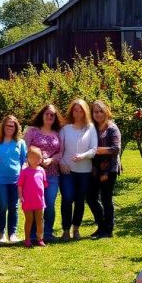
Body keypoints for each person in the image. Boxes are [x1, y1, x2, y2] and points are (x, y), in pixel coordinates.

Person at [23, 104, 63, 243]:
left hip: (52, 173)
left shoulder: (58, 133)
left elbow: (61, 152)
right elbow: (25, 150)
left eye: (52, 115)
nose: (50, 116)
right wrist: (36, 161)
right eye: (47, 113)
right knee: (34, 203)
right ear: (42, 114)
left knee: (50, 204)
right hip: (33, 174)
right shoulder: (32, 131)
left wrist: (51, 160)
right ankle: (33, 234)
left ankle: (47, 233)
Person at [58, 99, 97, 240]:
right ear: (71, 111)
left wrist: (82, 156)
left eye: (80, 110)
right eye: (75, 110)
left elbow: (93, 149)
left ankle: (76, 229)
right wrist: (62, 162)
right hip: (67, 170)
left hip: (84, 171)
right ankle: (66, 230)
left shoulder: (90, 128)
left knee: (80, 200)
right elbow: (59, 150)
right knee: (67, 199)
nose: (78, 112)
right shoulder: (65, 129)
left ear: (85, 111)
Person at [0, 115, 28, 244]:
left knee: (13, 207)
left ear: (16, 128)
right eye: (8, 125)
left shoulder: (20, 143)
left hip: (16, 180)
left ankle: (12, 234)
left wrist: (25, 173)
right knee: (2, 206)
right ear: (3, 126)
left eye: (13, 125)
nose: (10, 128)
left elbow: (24, 160)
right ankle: (1, 234)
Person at [87, 100, 121, 238]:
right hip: (95, 169)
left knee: (106, 199)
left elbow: (115, 149)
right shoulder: (92, 128)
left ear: (106, 111)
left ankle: (108, 229)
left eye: (101, 111)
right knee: (91, 198)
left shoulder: (112, 128)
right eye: (95, 111)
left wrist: (97, 151)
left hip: (109, 169)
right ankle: (101, 226)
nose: (98, 114)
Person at [18, 146, 49, 247]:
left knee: (40, 219)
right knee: (29, 220)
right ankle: (27, 239)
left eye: (38, 158)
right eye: (32, 158)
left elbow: (44, 184)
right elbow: (20, 185)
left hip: (39, 201)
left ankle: (40, 238)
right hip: (27, 200)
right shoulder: (24, 172)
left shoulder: (42, 171)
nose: (35, 160)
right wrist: (21, 196)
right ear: (28, 159)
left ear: (41, 159)